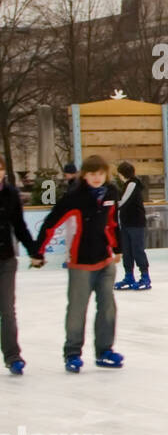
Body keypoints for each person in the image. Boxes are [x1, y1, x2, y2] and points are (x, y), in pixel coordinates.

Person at [33, 155, 123, 372]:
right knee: (77, 309)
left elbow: (112, 222)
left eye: (100, 173)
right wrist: (38, 251)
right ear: (85, 175)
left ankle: (104, 351)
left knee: (108, 308)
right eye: (92, 174)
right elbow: (51, 223)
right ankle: (72, 352)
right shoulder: (75, 197)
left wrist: (117, 247)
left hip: (104, 259)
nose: (97, 178)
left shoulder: (110, 193)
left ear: (106, 174)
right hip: (80, 262)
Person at [1, 153, 45, 375]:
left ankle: (12, 356)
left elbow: (19, 226)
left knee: (7, 310)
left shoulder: (10, 194)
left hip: (5, 260)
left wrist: (34, 251)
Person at [114, 161, 151, 290]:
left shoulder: (132, 183)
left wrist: (110, 208)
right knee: (127, 251)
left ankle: (145, 276)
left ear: (121, 173)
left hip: (136, 223)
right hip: (126, 223)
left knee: (137, 250)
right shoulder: (127, 185)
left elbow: (123, 202)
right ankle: (129, 276)